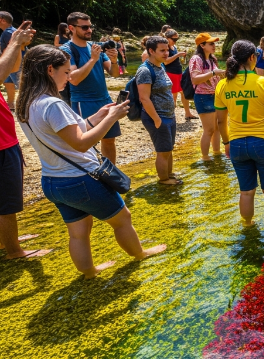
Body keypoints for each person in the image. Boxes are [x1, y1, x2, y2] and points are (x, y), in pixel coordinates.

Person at [17, 44, 166, 277]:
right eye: (66, 72)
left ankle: (89, 272)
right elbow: (81, 143)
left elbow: (69, 133)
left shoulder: (27, 103)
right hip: (79, 178)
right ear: (49, 70)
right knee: (122, 219)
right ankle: (140, 255)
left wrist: (99, 116)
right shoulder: (53, 104)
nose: (69, 77)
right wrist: (113, 118)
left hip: (53, 181)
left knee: (79, 231)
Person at [215, 40, 264, 227]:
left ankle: (248, 224)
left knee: (246, 191)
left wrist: (227, 143)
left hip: (237, 144)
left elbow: (220, 121)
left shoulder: (223, 85)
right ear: (252, 57)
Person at [0, 22, 48, 259]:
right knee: (6, 203)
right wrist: (15, 42)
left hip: (6, 142)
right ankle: (15, 252)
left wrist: (17, 45)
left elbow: (13, 68)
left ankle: (7, 241)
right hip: (0, 147)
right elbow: (0, 72)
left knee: (6, 201)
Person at [60, 12, 121, 163]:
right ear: (71, 28)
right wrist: (93, 59)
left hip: (104, 99)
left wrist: (114, 60)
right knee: (86, 143)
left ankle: (111, 176)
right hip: (83, 102)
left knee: (109, 140)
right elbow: (73, 79)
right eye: (85, 27)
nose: (89, 30)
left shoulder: (95, 47)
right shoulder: (67, 50)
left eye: (90, 26)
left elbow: (114, 74)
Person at [137, 36, 181, 185]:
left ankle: (169, 174)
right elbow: (144, 98)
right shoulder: (145, 70)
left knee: (168, 149)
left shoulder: (160, 66)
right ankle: (164, 181)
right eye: (162, 50)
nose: (166, 53)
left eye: (167, 49)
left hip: (168, 115)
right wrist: (157, 119)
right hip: (157, 117)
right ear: (151, 51)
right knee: (163, 150)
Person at [189, 33, 225, 161]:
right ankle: (205, 157)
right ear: (202, 45)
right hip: (203, 97)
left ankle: (216, 153)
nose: (214, 46)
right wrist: (214, 73)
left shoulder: (212, 59)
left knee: (217, 128)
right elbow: (195, 79)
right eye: (211, 43)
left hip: (215, 96)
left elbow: (213, 76)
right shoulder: (196, 59)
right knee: (209, 129)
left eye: (214, 43)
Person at [162, 29, 196, 120]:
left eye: (177, 39)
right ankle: (170, 115)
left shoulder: (174, 47)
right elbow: (166, 62)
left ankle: (187, 113)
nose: (175, 41)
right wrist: (178, 55)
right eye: (174, 39)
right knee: (173, 95)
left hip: (178, 73)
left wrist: (181, 56)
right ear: (167, 38)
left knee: (184, 93)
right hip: (171, 73)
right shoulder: (166, 48)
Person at [0, 12, 21, 112]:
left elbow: (14, 49)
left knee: (21, 86)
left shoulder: (8, 33)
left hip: (14, 63)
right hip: (9, 63)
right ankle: (11, 104)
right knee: (8, 83)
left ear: (2, 20)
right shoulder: (9, 31)